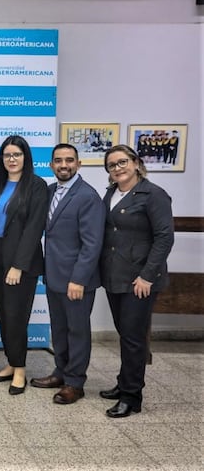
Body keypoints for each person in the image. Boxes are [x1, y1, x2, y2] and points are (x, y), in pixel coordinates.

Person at [99, 144, 173, 418]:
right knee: (126, 333)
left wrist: (146, 276)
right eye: (112, 165)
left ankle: (132, 396)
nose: (117, 168)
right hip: (114, 276)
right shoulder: (111, 193)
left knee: (133, 338)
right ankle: (123, 383)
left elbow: (165, 238)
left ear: (135, 162)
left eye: (122, 162)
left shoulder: (153, 195)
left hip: (139, 280)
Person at [30, 144, 105, 404]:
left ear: (78, 164)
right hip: (54, 277)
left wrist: (79, 279)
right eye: (58, 160)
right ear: (51, 165)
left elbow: (92, 243)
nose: (64, 165)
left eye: (69, 160)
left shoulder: (87, 196)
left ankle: (75, 383)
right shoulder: (50, 192)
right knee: (60, 329)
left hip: (76, 281)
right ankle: (60, 372)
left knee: (77, 331)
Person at [0, 135, 48, 395]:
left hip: (20, 260)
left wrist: (18, 266)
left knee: (16, 316)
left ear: (26, 157)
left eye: (17, 155)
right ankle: (11, 363)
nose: (12, 159)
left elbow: (34, 229)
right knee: (3, 313)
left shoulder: (36, 185)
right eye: (7, 155)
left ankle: (20, 370)